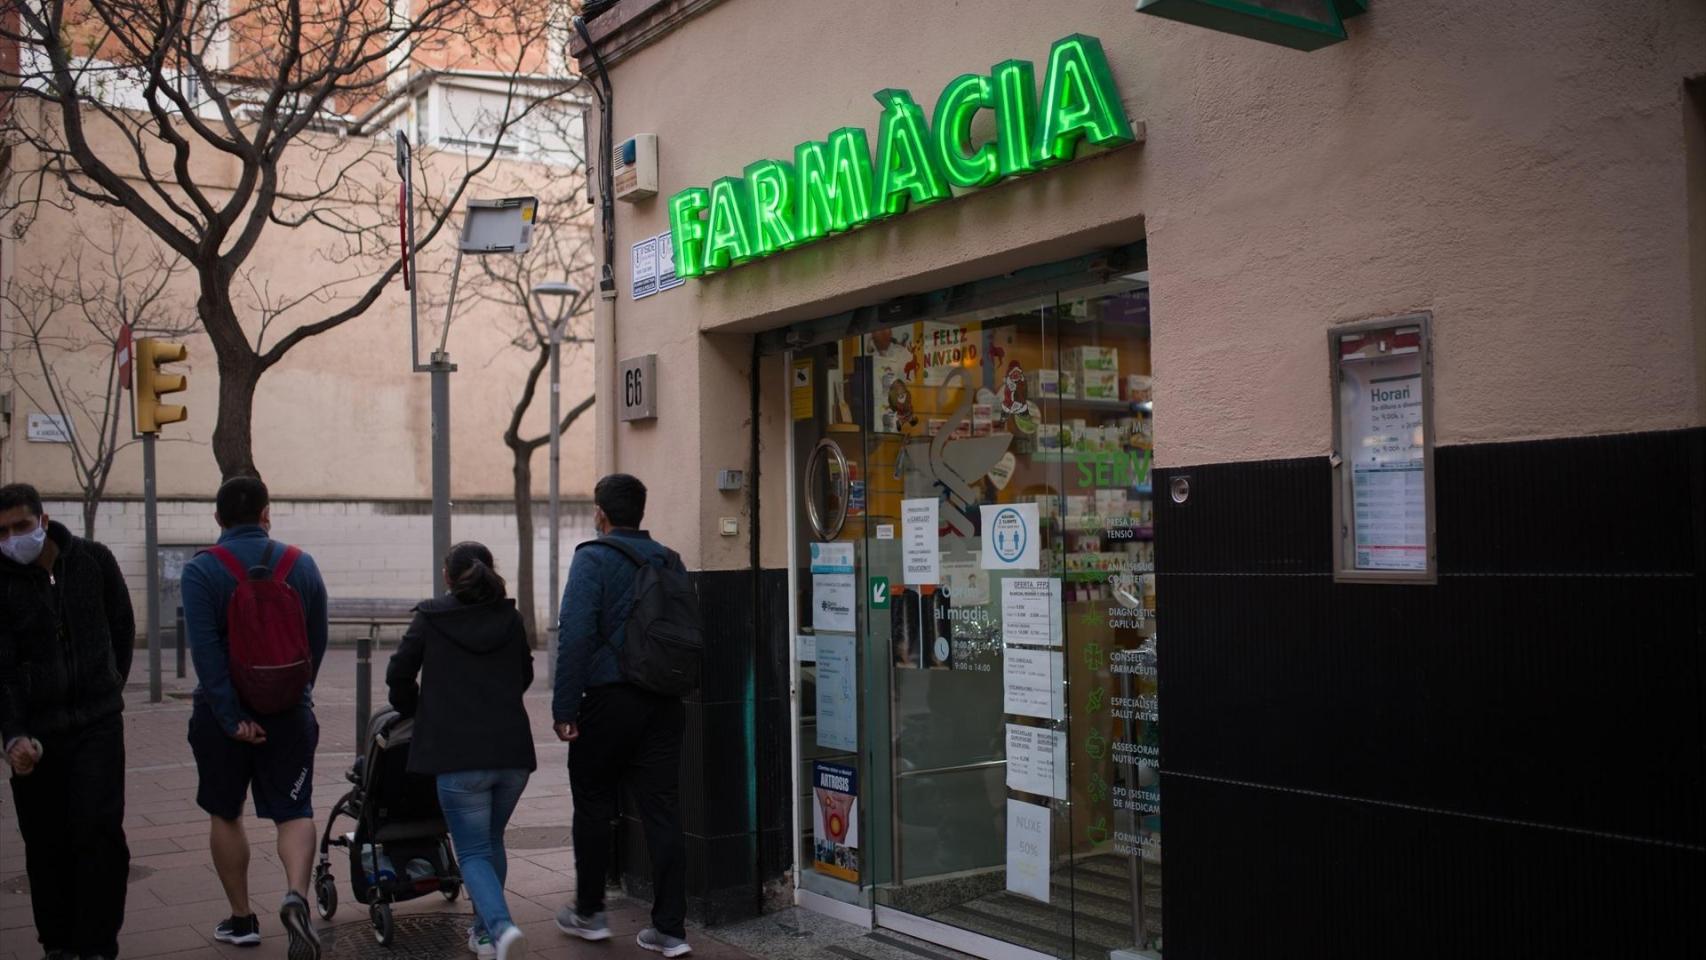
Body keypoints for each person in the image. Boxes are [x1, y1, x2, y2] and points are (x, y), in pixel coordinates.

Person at [180, 477, 327, 960]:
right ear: (267, 513)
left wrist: (230, 717)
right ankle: (295, 897)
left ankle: (242, 920)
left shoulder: (202, 571)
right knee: (295, 811)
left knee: (225, 811)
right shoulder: (300, 564)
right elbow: (315, 641)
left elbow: (204, 650)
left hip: (223, 720)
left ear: (218, 520)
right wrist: (295, 697)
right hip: (289, 715)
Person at [552, 474, 691, 958]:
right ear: (641, 511)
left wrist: (564, 708)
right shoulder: (669, 560)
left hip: (609, 699)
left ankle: (589, 912)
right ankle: (670, 929)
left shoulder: (592, 559)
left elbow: (574, 636)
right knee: (663, 812)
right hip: (665, 700)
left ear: (601, 513)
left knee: (592, 802)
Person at [0, 483, 134, 960]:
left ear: (42, 519)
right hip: (37, 732)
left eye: (20, 525)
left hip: (98, 724)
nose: (13, 538)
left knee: (99, 832)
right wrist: (14, 735)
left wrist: (108, 686)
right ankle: (57, 943)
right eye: (2, 531)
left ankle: (98, 944)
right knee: (46, 841)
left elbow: (122, 626)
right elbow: (4, 670)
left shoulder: (93, 561)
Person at [386, 542, 534, 960]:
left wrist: (416, 709)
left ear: (448, 577)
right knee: (490, 841)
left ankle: (500, 928)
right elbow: (523, 674)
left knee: (470, 850)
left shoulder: (431, 617)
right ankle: (484, 933)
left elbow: (398, 673)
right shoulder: (510, 617)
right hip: (511, 754)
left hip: (458, 756)